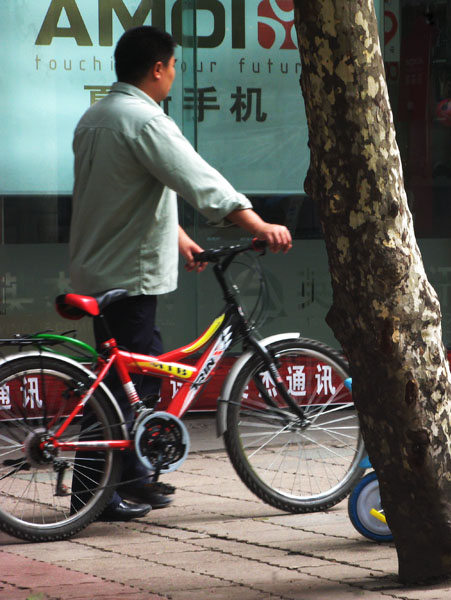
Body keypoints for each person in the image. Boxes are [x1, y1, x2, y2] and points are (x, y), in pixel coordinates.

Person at [69, 26, 292, 521]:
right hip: (129, 273)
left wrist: (179, 238)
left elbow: (121, 195)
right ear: (157, 68)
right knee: (139, 384)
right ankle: (131, 481)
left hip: (95, 268)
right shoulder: (145, 120)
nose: (174, 76)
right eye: (174, 67)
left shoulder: (96, 117)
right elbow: (200, 181)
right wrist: (258, 223)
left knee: (110, 388)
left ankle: (95, 495)